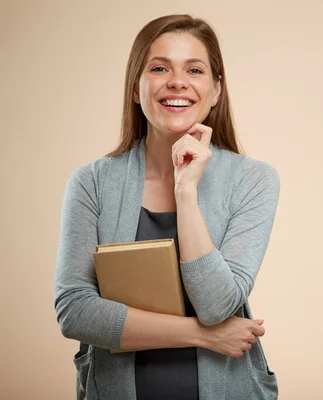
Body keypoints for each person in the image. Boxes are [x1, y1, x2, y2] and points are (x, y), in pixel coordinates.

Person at [54, 14, 280, 400]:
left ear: (216, 90)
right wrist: (200, 336)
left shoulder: (253, 180)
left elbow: (218, 306)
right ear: (136, 89)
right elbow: (75, 311)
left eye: (195, 69)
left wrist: (186, 192)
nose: (178, 81)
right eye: (159, 68)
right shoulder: (92, 183)